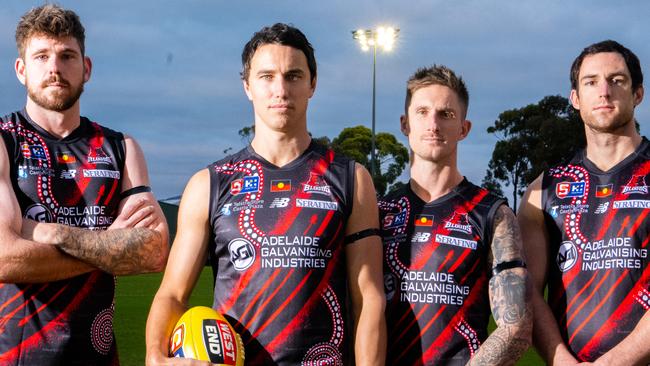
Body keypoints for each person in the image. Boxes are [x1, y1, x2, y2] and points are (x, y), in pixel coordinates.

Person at [146, 23, 386, 365]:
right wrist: (156, 357)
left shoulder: (350, 179)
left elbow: (368, 299)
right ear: (247, 86)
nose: (280, 89)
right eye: (266, 76)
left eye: (293, 76)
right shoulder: (209, 184)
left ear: (312, 84)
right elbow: (172, 293)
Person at [0, 5, 169, 365]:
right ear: (21, 70)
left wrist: (52, 233)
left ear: (86, 68)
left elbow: (153, 252)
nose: (54, 68)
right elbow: (4, 258)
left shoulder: (121, 148)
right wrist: (111, 246)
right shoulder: (4, 142)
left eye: (66, 56)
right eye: (41, 56)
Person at [379, 65, 532, 365]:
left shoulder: (492, 213)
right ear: (404, 123)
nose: (433, 124)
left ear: (464, 128)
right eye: (422, 112)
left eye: (446, 114)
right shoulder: (380, 212)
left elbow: (517, 328)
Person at [518, 40, 650, 364]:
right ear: (575, 99)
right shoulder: (541, 192)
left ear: (638, 94)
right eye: (591, 82)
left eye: (617, 80)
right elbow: (528, 292)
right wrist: (561, 360)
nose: (604, 91)